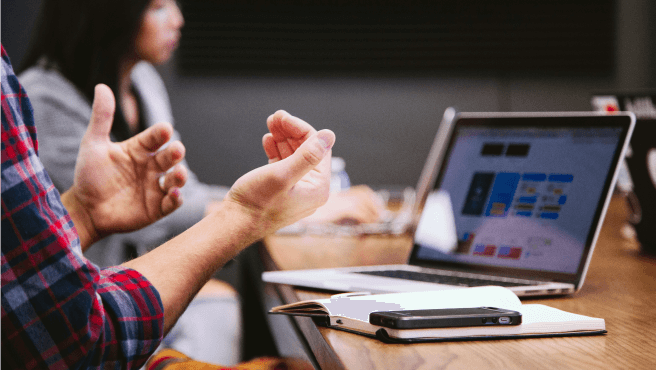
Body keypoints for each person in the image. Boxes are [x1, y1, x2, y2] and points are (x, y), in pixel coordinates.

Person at [18, 0, 382, 363]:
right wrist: (281, 209)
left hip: (132, 287)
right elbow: (158, 219)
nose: (178, 19)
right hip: (84, 315)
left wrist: (276, 203)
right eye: (158, 7)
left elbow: (179, 194)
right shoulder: (44, 100)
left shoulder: (143, 81)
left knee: (221, 303)